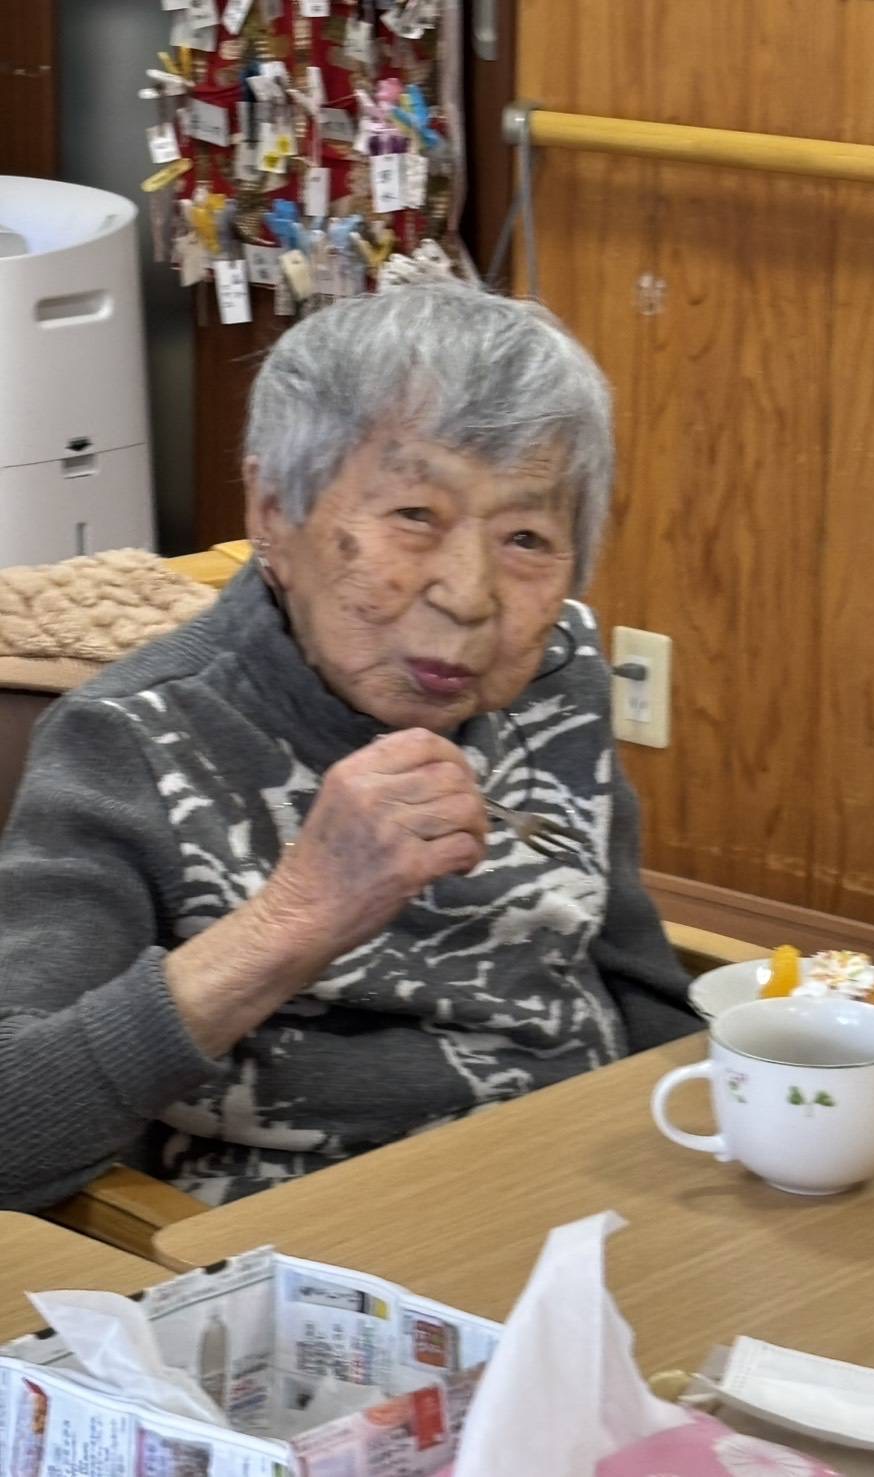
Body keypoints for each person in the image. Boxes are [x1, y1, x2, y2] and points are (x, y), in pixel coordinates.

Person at [0, 280, 695, 1211]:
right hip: (307, 1253)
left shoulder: (556, 678)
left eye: (526, 536)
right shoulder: (130, 739)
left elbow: (642, 996)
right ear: (272, 511)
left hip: (587, 1203)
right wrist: (297, 918)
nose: (469, 594)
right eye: (415, 516)